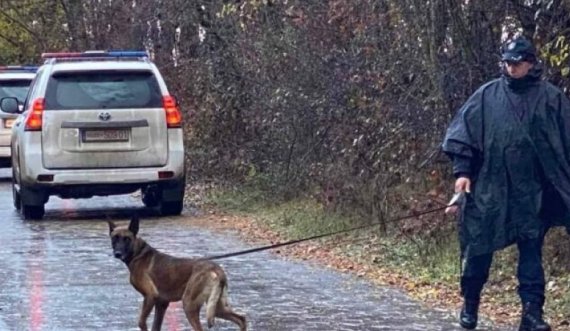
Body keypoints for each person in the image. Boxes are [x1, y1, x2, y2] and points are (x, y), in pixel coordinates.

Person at [442, 35, 570, 331]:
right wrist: (463, 174)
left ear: (530, 64)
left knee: (530, 251)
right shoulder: (487, 96)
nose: (512, 68)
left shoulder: (551, 99)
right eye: (508, 62)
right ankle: (470, 303)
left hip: (532, 191)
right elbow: (464, 136)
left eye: (518, 63)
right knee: (479, 248)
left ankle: (531, 313)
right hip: (490, 187)